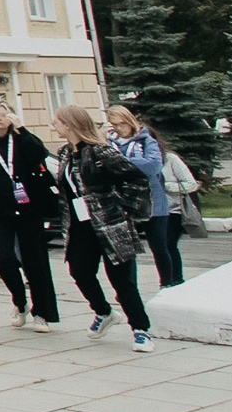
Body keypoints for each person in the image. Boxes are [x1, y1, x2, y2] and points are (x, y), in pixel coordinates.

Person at [54, 105, 156, 352]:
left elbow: (137, 179)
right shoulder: (65, 154)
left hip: (110, 224)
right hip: (81, 225)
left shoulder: (100, 152)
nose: (53, 125)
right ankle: (103, 312)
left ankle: (141, 330)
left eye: (57, 121)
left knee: (122, 281)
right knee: (79, 271)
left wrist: (125, 208)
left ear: (70, 125)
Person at [0, 98, 63, 332]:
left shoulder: (20, 140)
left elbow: (40, 154)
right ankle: (20, 301)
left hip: (29, 208)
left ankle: (42, 313)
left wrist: (22, 129)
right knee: (5, 260)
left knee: (35, 261)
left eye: (3, 113)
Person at [109, 105, 182, 288]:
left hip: (152, 201)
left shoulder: (145, 140)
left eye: (121, 124)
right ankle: (128, 287)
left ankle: (167, 282)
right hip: (123, 201)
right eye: (113, 125)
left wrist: (121, 161)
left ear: (129, 121)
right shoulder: (110, 143)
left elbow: (153, 166)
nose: (118, 129)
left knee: (159, 246)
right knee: (127, 249)